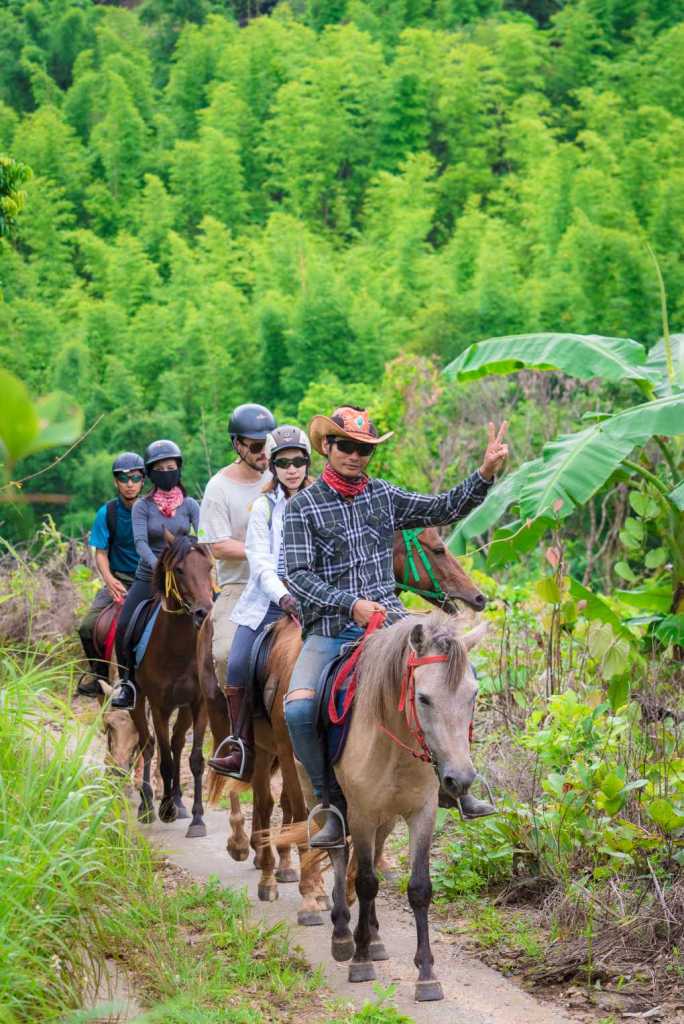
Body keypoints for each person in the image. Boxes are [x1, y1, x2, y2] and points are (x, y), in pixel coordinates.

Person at [282, 406, 509, 847]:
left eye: (364, 449)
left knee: (460, 675)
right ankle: (330, 804)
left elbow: (442, 507)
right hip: (332, 628)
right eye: (346, 446)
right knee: (298, 710)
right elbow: (297, 575)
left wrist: (484, 473)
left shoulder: (383, 495)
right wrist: (350, 604)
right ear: (327, 446)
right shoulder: (302, 507)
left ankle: (457, 782)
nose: (355, 456)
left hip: (392, 622)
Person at [208, 425, 313, 781]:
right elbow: (260, 561)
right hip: (270, 600)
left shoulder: (323, 501)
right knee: (236, 661)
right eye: (283, 463)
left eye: (298, 461)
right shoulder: (263, 508)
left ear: (308, 463)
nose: (292, 469)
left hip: (317, 598)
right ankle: (241, 745)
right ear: (273, 466)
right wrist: (283, 595)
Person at [110, 440, 200, 710]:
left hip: (185, 576)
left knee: (214, 613)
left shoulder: (191, 505)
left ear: (179, 469)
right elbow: (140, 543)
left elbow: (202, 537)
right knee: (124, 626)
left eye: (170, 467)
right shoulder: (142, 506)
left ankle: (215, 676)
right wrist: (162, 567)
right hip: (149, 576)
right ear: (150, 474)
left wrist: (191, 565)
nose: (166, 472)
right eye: (159, 469)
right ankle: (127, 683)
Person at [198, 403, 276, 692]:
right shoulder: (218, 487)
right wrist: (264, 553)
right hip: (240, 586)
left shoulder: (282, 475)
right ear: (237, 445)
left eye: (268, 444)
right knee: (225, 654)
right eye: (255, 446)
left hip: (285, 582)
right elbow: (218, 546)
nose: (263, 453)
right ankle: (236, 714)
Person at [77, 452, 145, 698]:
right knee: (87, 626)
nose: (130, 484)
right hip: (119, 579)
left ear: (143, 481)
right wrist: (109, 579)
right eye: (123, 479)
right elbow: (101, 552)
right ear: (116, 482)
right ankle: (99, 676)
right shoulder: (107, 513)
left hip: (149, 580)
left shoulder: (152, 509)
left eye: (135, 478)